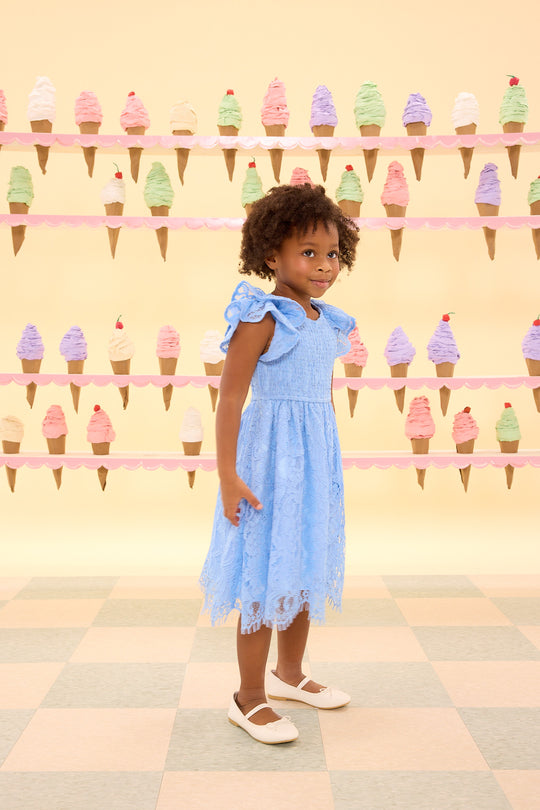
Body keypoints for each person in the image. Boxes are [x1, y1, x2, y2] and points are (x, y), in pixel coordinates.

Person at [199, 183, 359, 744]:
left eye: (333, 253)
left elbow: (320, 398)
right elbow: (231, 399)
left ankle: (289, 674)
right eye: (308, 253)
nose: (323, 265)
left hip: (313, 462)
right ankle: (248, 698)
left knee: (305, 561)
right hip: (266, 464)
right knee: (264, 574)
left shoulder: (327, 321)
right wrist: (227, 474)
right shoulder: (262, 317)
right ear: (272, 256)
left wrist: (326, 464)